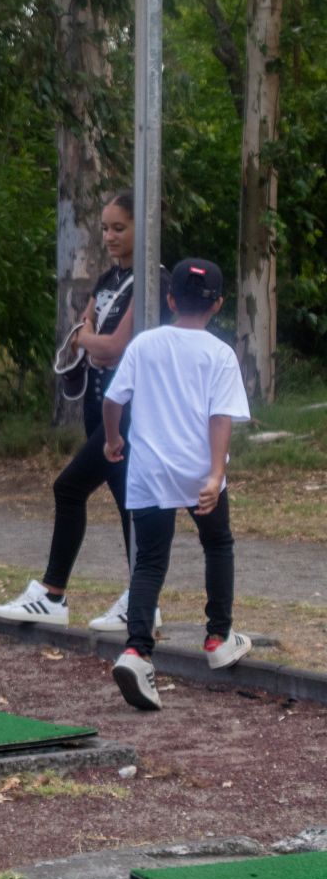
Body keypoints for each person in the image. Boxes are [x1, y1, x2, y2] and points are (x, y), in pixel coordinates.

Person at [0, 191, 167, 631]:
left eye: (119, 228)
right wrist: (89, 340)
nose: (109, 236)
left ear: (141, 229)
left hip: (128, 409)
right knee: (129, 502)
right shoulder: (109, 278)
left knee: (69, 489)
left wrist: (89, 340)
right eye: (105, 228)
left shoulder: (152, 282)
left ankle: (54, 594)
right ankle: (141, 600)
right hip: (97, 404)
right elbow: (81, 335)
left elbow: (111, 346)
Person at [105, 259, 251, 711]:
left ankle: (136, 651)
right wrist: (215, 475)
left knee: (148, 563)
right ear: (219, 305)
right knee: (218, 544)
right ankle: (218, 637)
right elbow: (219, 416)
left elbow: (114, 399)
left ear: (170, 299)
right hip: (198, 468)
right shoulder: (220, 353)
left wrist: (113, 440)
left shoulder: (146, 344)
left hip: (149, 471)